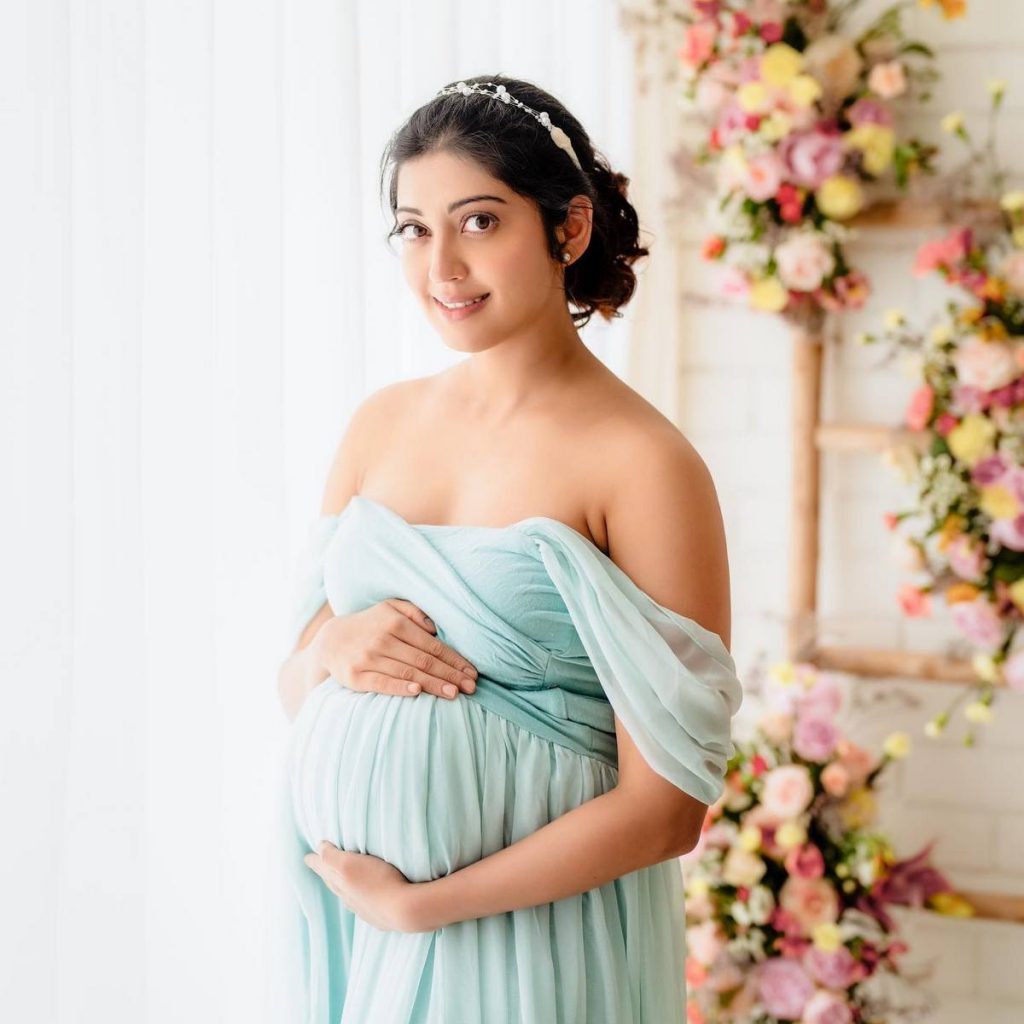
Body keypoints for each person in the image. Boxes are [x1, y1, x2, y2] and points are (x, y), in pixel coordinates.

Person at [269, 74, 744, 1023]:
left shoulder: (644, 464)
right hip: (363, 932)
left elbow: (669, 809)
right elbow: (297, 684)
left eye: (478, 222)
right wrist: (327, 650)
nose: (440, 265)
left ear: (567, 230)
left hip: (533, 946)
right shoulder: (378, 426)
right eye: (413, 228)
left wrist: (424, 907)